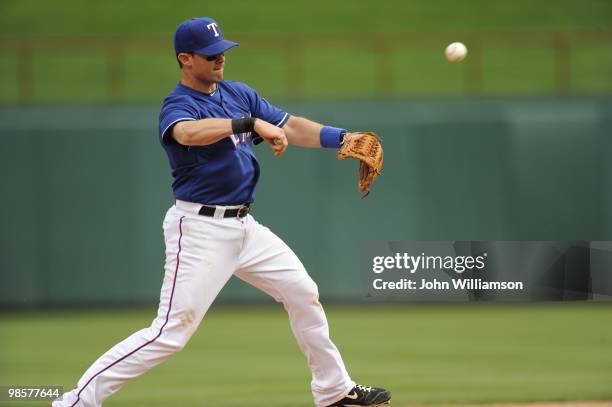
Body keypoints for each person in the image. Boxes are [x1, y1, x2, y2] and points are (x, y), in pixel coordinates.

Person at [52, 17, 391, 407]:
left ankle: (334, 391)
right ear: (185, 59)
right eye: (210, 55)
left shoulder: (238, 93)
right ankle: (74, 401)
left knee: (303, 292)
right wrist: (248, 123)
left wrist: (342, 138)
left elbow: (291, 126)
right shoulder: (179, 104)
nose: (220, 60)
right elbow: (186, 133)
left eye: (223, 52)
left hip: (245, 227)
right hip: (199, 229)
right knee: (169, 333)